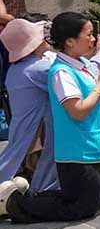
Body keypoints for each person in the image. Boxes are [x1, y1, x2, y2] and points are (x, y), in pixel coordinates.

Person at [0, 12, 100, 223]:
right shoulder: (53, 70)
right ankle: (14, 203)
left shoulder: (27, 68)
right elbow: (77, 109)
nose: (93, 39)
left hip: (87, 142)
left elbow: (92, 74)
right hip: (73, 145)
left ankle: (25, 196)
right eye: (89, 35)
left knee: (93, 201)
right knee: (80, 207)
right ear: (69, 41)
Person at [0, 19, 59, 192]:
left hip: (23, 127)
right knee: (47, 162)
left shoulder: (16, 69)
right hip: (39, 127)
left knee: (11, 159)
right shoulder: (37, 69)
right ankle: (41, 192)